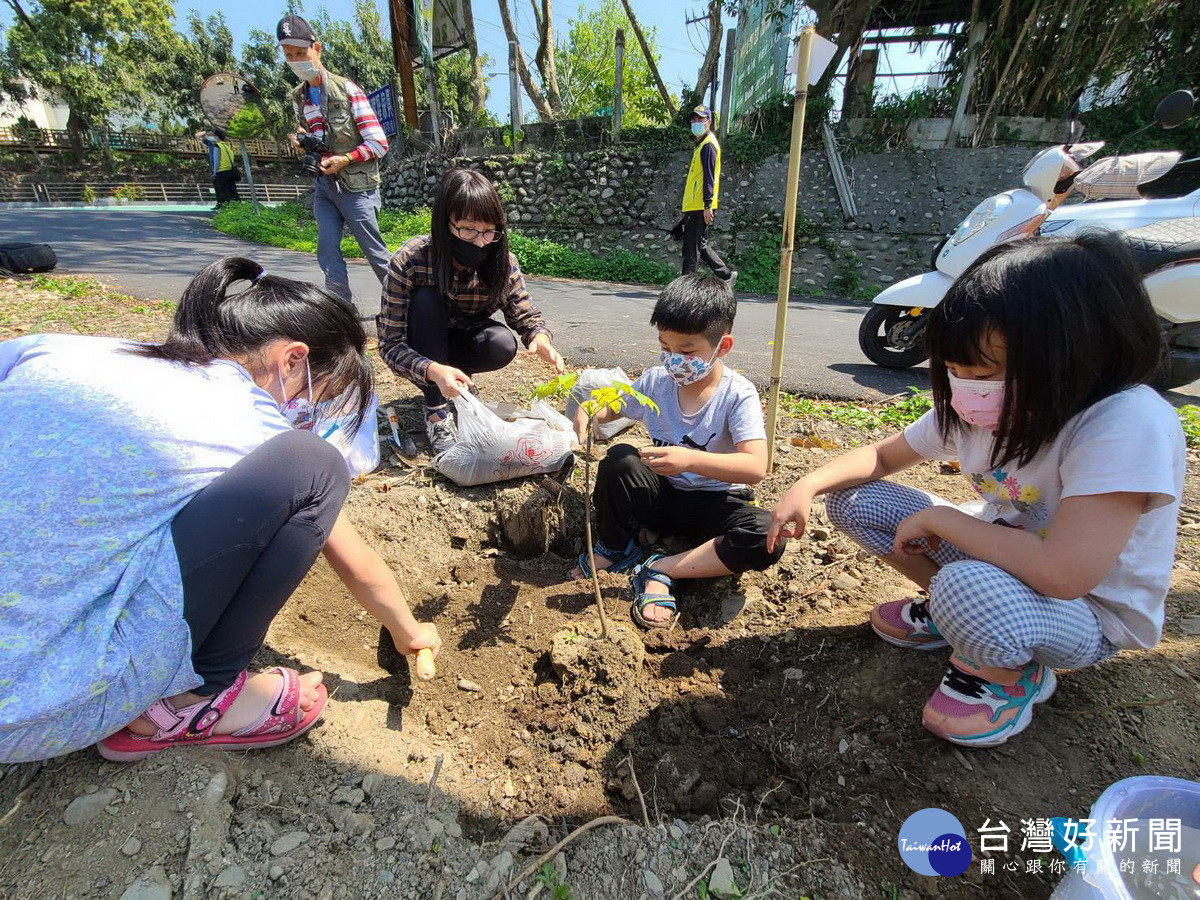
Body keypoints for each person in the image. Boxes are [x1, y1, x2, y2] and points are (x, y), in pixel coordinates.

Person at [0, 257, 441, 764]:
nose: (303, 409)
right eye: (317, 394)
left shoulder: (59, 348)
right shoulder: (250, 423)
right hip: (36, 702)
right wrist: (410, 631)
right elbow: (357, 562)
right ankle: (189, 702)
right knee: (315, 462)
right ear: (292, 359)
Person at [768, 233, 1185, 748]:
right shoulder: (982, 408)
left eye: (982, 372)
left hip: (1086, 612)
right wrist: (805, 484)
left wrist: (944, 522)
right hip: (1000, 560)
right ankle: (961, 620)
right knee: (856, 498)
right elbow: (879, 458)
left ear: (1071, 356)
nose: (965, 387)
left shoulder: (1124, 424)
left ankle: (1011, 673)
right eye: (953, 370)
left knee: (966, 587)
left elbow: (1063, 573)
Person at [570, 273, 783, 628]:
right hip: (663, 497)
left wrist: (691, 458)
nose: (673, 361)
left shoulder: (738, 394)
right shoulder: (656, 381)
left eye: (686, 351)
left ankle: (660, 568)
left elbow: (755, 466)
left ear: (722, 346)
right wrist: (592, 408)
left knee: (765, 535)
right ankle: (615, 546)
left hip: (714, 507)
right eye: (665, 348)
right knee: (620, 461)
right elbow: (615, 407)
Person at [377, 167, 566, 453]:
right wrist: (432, 369)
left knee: (500, 343)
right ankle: (437, 409)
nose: (480, 242)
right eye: (468, 230)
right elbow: (390, 345)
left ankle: (456, 382)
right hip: (422, 340)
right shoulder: (411, 260)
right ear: (444, 224)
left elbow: (524, 314)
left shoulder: (501, 260)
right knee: (427, 298)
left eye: (489, 231)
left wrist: (539, 338)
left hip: (462, 339)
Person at [277, 13, 391, 305]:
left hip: (357, 186)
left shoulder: (348, 90)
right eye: (289, 55)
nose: (295, 60)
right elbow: (314, 136)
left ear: (317, 49)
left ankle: (407, 307)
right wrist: (303, 143)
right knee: (327, 250)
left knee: (375, 253)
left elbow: (379, 144)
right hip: (325, 186)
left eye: (301, 53)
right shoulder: (298, 97)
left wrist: (346, 158)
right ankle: (341, 309)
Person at [680, 105, 735, 289]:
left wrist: (707, 205)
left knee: (691, 248)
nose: (696, 122)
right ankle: (725, 275)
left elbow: (709, 177)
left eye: (700, 119)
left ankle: (686, 287)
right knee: (700, 245)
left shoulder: (708, 145)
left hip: (699, 205)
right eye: (693, 119)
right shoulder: (701, 144)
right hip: (694, 204)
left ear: (709, 122)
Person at [197, 127, 240, 206]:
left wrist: (215, 171)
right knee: (232, 189)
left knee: (222, 190)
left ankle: (223, 205)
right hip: (230, 170)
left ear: (216, 137)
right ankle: (236, 204)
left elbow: (216, 160)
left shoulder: (217, 146)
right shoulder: (227, 146)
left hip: (221, 170)